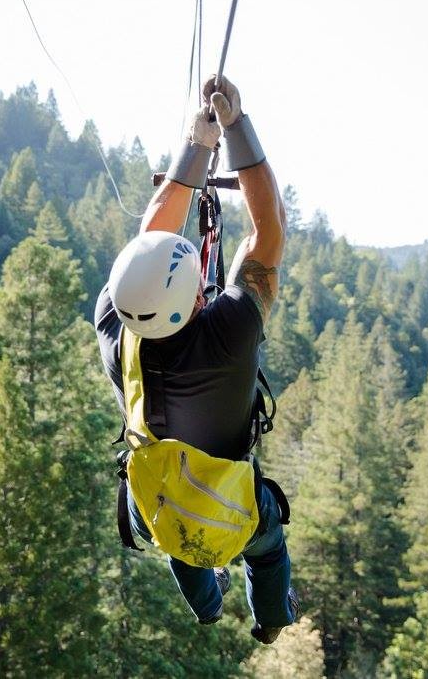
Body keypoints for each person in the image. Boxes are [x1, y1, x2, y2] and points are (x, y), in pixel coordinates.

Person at [94, 75, 297, 644]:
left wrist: (196, 143)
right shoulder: (230, 334)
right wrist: (231, 127)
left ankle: (207, 609)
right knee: (267, 543)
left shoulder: (115, 323)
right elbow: (269, 229)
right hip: (228, 507)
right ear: (192, 302)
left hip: (154, 502)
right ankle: (273, 621)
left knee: (178, 533)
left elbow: (148, 242)